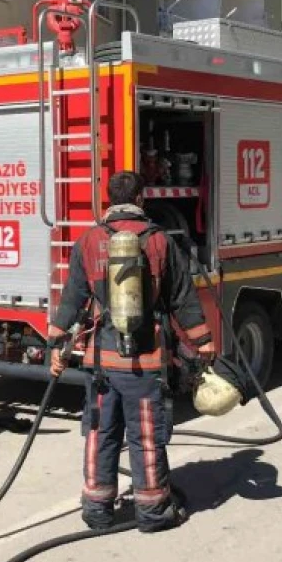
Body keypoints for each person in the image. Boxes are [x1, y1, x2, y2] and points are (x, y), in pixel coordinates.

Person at [47, 171, 214, 534]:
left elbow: (72, 300)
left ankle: (97, 511)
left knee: (100, 433)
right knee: (146, 437)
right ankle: (153, 512)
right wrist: (203, 342)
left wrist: (56, 343)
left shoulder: (88, 241)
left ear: (108, 199)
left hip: (100, 363)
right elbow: (182, 299)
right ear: (141, 199)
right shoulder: (158, 242)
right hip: (145, 362)